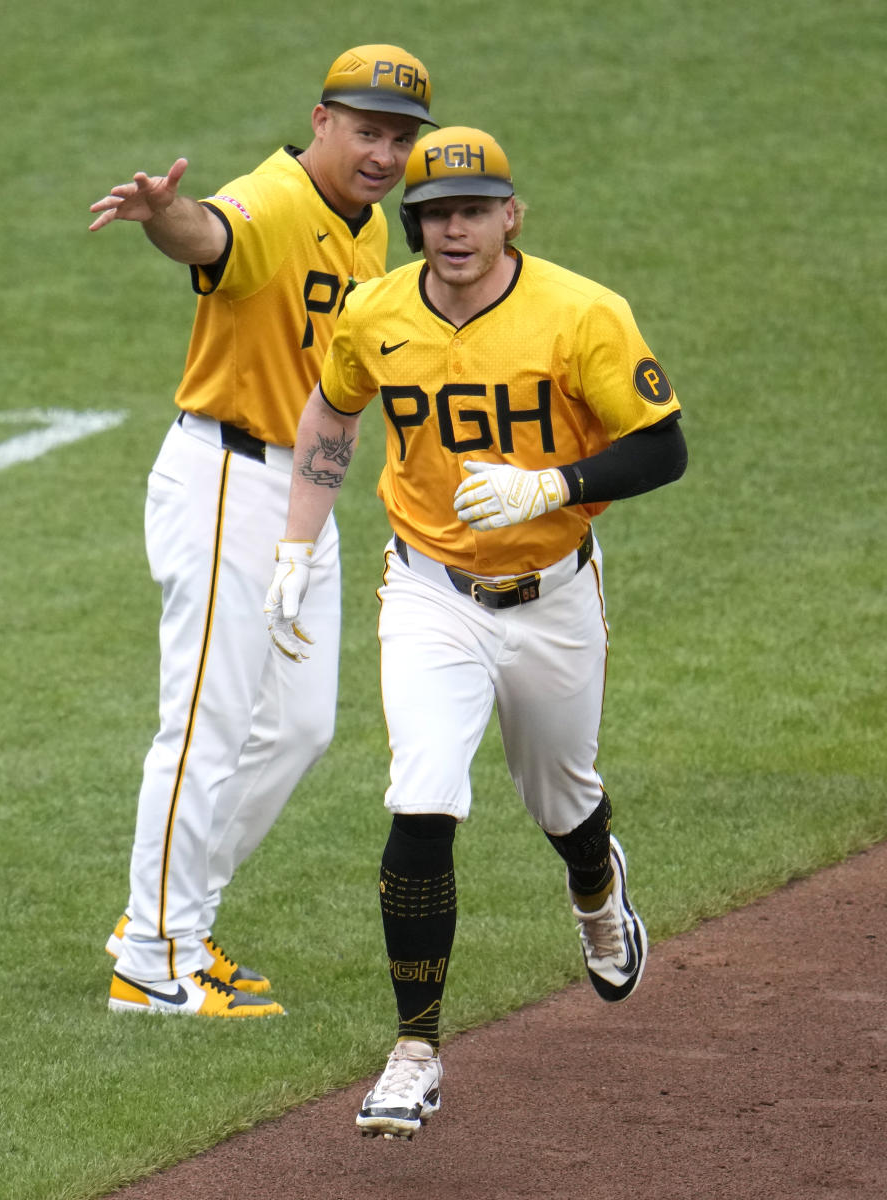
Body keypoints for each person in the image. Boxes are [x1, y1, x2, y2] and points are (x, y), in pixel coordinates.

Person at [265, 126, 687, 1127]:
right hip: (428, 592)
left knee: (564, 802)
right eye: (434, 214)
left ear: (511, 215)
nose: (454, 230)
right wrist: (295, 546)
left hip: (553, 595)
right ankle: (415, 1048)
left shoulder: (581, 313)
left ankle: (596, 890)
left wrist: (556, 483)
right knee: (422, 796)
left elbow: (663, 448)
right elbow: (331, 415)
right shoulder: (376, 313)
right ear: (411, 225)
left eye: (473, 209)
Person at [87, 45, 435, 1019]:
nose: (383, 152)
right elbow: (212, 235)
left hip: (296, 503)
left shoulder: (365, 234)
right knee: (202, 726)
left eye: (400, 137)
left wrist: (303, 534)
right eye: (368, 130)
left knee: (297, 727)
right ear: (323, 119)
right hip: (224, 480)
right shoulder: (277, 200)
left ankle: (170, 920)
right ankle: (153, 962)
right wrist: (165, 215)